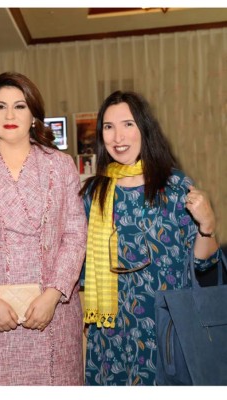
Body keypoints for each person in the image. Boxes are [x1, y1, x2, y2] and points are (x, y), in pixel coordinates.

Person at [0, 72, 87, 385]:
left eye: (19, 106)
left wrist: (52, 295)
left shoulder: (60, 165)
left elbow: (75, 236)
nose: (10, 115)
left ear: (33, 114)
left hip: (52, 313)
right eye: (0, 106)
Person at [80, 90, 221, 385]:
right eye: (108, 126)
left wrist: (208, 225)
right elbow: (81, 269)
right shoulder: (94, 193)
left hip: (168, 328)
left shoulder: (174, 186)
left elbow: (204, 264)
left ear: (144, 129)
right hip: (111, 335)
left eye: (128, 124)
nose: (118, 136)